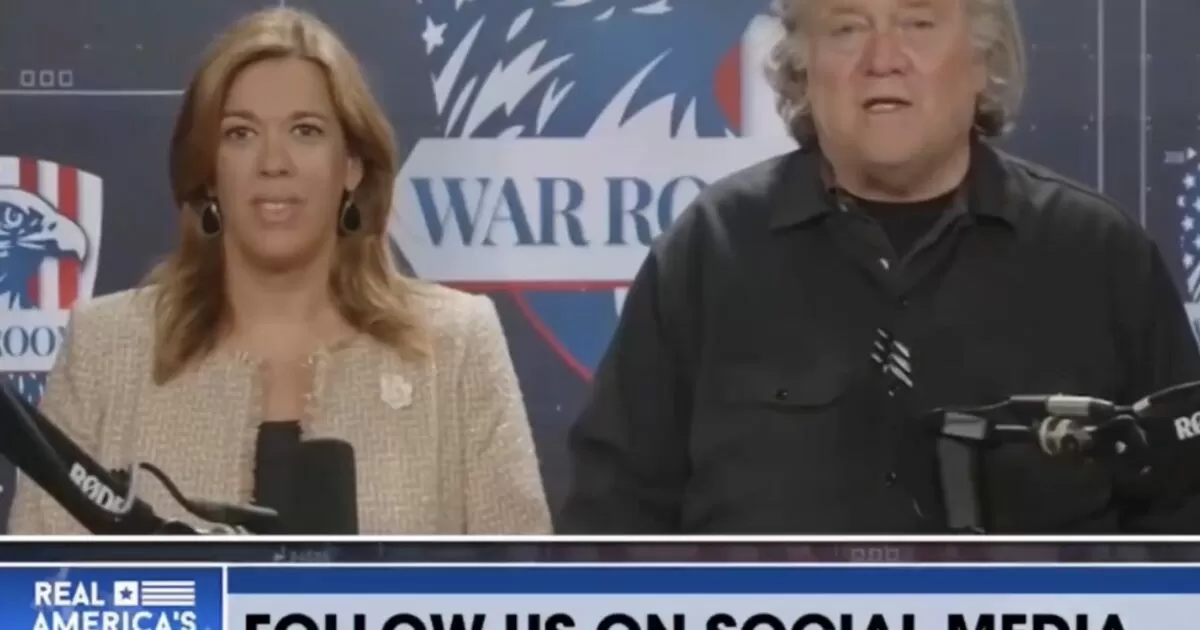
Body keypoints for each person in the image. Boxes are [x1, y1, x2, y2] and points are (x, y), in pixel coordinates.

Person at [559, 0, 1200, 533]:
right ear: (803, 70)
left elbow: (1184, 510)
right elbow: (612, 517)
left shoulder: (1097, 254)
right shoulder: (710, 247)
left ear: (982, 59)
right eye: (847, 27)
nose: (883, 58)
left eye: (918, 22)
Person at [8, 7, 551, 535]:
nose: (273, 162)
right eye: (240, 134)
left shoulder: (456, 343)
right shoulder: (106, 348)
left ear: (351, 166)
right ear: (209, 170)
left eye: (306, 131)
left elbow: (527, 584)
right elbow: (37, 584)